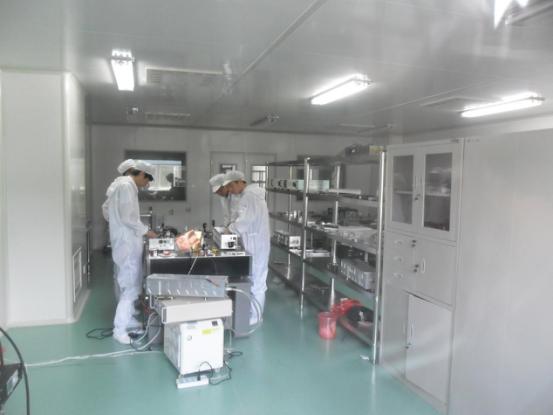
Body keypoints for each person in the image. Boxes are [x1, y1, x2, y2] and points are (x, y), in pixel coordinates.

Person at [102, 159, 158, 344]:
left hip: (123, 241)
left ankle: (129, 320)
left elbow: (106, 211)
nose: (147, 184)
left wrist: (119, 226)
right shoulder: (126, 186)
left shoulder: (118, 186)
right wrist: (146, 231)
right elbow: (128, 217)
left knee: (126, 283)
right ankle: (119, 330)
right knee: (130, 286)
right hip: (127, 243)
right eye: (147, 179)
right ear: (140, 173)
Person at [223, 170, 270, 325]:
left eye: (231, 186)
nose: (230, 190)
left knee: (258, 282)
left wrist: (230, 229)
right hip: (254, 242)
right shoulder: (249, 196)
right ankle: (251, 312)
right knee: (253, 278)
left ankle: (256, 317)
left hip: (257, 244)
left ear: (239, 182)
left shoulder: (250, 196)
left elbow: (245, 221)